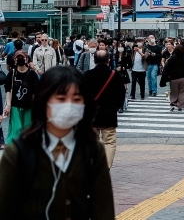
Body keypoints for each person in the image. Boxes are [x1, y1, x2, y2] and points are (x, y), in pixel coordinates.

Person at [0, 66, 114, 219]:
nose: (69, 105)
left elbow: (103, 208)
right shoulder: (18, 151)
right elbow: (4, 207)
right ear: (43, 100)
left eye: (76, 99)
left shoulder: (92, 150)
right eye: (60, 99)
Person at [84, 50, 125, 169]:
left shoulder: (87, 75)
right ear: (108, 60)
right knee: (109, 141)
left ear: (94, 60)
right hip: (109, 114)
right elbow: (121, 95)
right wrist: (114, 108)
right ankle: (105, 168)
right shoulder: (114, 75)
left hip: (91, 115)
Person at [4, 50, 39, 144]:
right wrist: (8, 105)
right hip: (15, 106)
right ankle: (14, 151)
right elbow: (8, 90)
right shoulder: (12, 73)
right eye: (18, 58)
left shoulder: (32, 74)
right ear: (15, 60)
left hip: (28, 107)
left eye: (22, 57)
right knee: (16, 129)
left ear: (26, 59)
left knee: (28, 130)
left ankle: (26, 152)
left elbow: (36, 92)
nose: (20, 59)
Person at [162, 45, 184, 112]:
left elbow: (168, 68)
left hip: (173, 78)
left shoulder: (172, 59)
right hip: (183, 78)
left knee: (174, 92)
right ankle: (180, 106)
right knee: (182, 92)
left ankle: (173, 104)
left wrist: (167, 76)